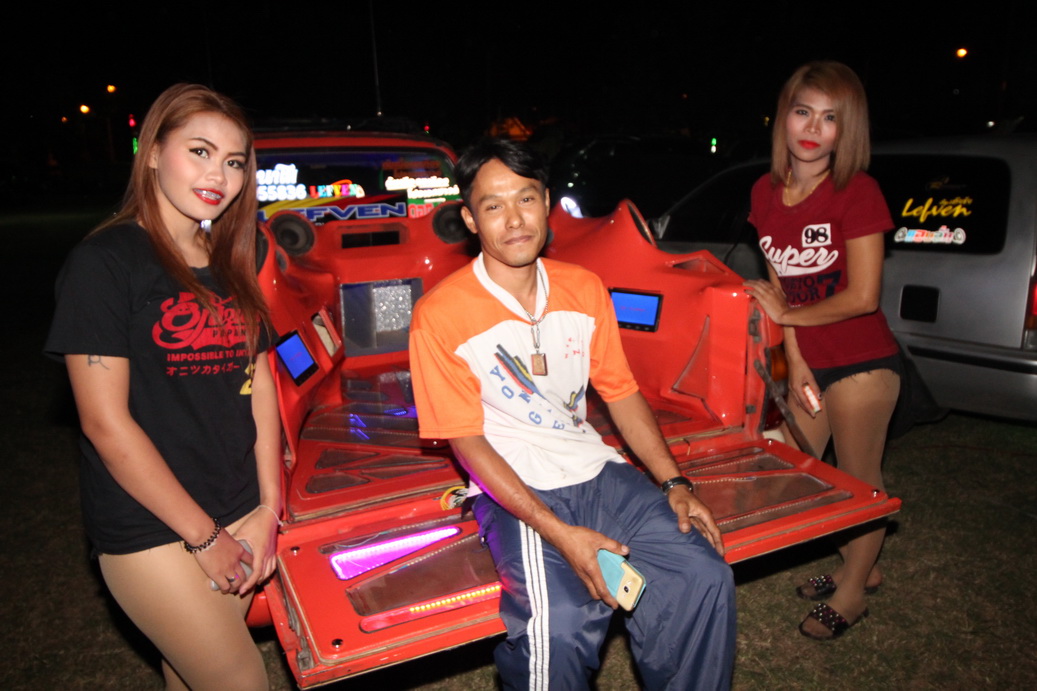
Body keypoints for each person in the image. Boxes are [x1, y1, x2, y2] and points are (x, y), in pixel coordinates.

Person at [409, 138, 735, 689]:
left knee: (702, 576)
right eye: (493, 205)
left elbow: (622, 392)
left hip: (594, 467)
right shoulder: (439, 315)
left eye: (526, 199)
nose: (515, 220)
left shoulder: (584, 288)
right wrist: (560, 533)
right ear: (469, 219)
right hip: (513, 486)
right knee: (555, 628)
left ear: (547, 203)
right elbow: (467, 441)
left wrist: (673, 480)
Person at [45, 84, 281, 689]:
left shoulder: (234, 255)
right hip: (152, 523)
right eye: (199, 151)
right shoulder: (106, 263)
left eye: (234, 161)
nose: (218, 175)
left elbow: (258, 388)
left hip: (237, 507)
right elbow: (104, 423)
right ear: (152, 152)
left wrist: (268, 508)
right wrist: (204, 537)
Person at [744, 61, 902, 640]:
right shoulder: (764, 191)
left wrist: (787, 315)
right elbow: (780, 283)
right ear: (784, 117)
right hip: (809, 360)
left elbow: (863, 296)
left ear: (846, 129)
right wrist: (794, 356)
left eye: (830, 118)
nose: (812, 128)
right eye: (803, 111)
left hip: (863, 361)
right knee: (798, 470)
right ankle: (860, 561)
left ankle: (854, 591)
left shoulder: (857, 191)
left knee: (859, 480)